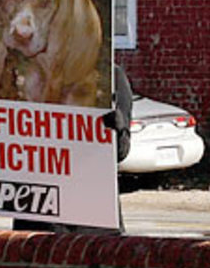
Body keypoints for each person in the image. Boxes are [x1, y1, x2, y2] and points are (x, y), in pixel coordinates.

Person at [12, 63, 132, 234]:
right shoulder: (32, 74)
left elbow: (121, 151)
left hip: (91, 214)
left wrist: (117, 127)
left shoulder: (112, 78)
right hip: (38, 210)